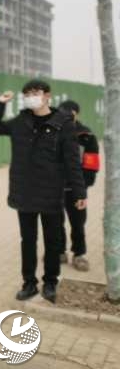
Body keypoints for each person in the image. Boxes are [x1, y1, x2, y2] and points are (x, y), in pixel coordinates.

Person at [0, 80, 86, 303]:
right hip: (25, 191)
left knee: (53, 240)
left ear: (47, 96)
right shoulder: (20, 122)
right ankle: (29, 283)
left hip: (51, 192)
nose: (31, 96)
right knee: (28, 240)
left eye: (36, 92)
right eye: (28, 93)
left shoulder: (63, 123)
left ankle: (50, 282)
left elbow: (72, 161)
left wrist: (79, 193)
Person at [58, 100, 100, 271]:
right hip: (55, 188)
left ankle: (79, 254)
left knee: (78, 223)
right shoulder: (52, 134)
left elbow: (91, 166)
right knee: (55, 222)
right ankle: (59, 252)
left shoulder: (87, 137)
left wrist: (81, 189)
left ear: (76, 114)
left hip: (76, 190)